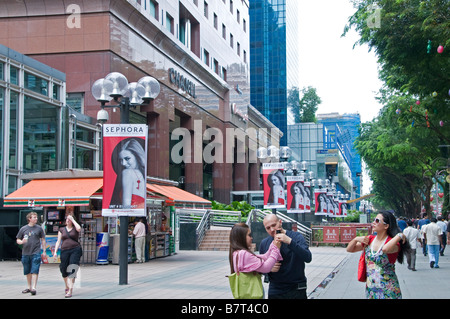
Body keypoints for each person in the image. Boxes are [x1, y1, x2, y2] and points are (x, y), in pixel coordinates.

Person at [346, 211, 408, 299]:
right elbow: (350, 249)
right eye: (374, 220)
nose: (373, 223)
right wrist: (356, 239)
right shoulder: (370, 239)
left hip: (388, 290)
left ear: (386, 226)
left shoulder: (393, 243)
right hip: (371, 289)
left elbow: (385, 249)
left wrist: (399, 235)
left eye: (377, 221)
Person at [259, 214, 312, 299]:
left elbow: (308, 257)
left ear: (280, 222)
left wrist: (289, 241)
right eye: (268, 228)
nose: (272, 229)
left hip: (296, 288)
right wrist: (268, 268)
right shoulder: (264, 243)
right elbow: (259, 267)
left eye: (273, 225)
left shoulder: (296, 237)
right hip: (276, 289)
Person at [229, 223, 283, 298]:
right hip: (252, 293)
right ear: (241, 237)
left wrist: (273, 245)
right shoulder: (244, 254)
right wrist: (276, 249)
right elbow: (266, 267)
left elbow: (263, 256)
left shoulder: (237, 253)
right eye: (249, 235)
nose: (251, 238)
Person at [110, 138, 146, 209]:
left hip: (131, 214)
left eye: (127, 159)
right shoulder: (141, 174)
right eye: (121, 160)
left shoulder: (127, 173)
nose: (123, 163)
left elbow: (126, 206)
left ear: (136, 155)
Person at [16, 212, 46, 296]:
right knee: (27, 270)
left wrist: (43, 251)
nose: (36, 219)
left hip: (36, 252)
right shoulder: (23, 229)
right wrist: (21, 242)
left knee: (35, 270)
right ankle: (29, 287)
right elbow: (17, 239)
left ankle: (34, 287)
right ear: (29, 218)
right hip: (25, 253)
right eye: (34, 217)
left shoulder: (39, 228)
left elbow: (43, 239)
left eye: (36, 217)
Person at [54, 213, 82, 298]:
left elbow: (79, 229)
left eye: (69, 219)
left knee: (72, 267)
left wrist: (73, 220)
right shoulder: (61, 229)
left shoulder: (75, 228)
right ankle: (67, 285)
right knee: (63, 268)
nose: (67, 220)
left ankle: (70, 290)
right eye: (67, 219)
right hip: (64, 250)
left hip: (75, 250)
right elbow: (58, 241)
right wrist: (55, 252)